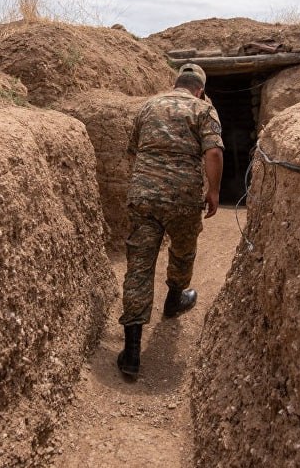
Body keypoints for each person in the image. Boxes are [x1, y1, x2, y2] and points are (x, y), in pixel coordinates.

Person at [117, 62, 224, 378]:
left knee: (139, 266)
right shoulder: (203, 109)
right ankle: (175, 299)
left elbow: (134, 151)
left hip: (144, 196)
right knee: (183, 250)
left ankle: (132, 354)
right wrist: (214, 191)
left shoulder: (149, 106)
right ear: (200, 89)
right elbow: (214, 152)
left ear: (175, 83)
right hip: (183, 199)